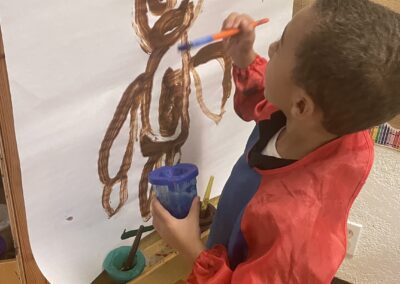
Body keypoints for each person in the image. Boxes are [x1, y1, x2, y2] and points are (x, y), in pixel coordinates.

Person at [151, 0, 400, 283]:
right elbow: (271, 102)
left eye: (280, 45)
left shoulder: (296, 235)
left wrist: (190, 247)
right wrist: (245, 59)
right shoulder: (331, 124)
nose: (269, 49)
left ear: (302, 106)